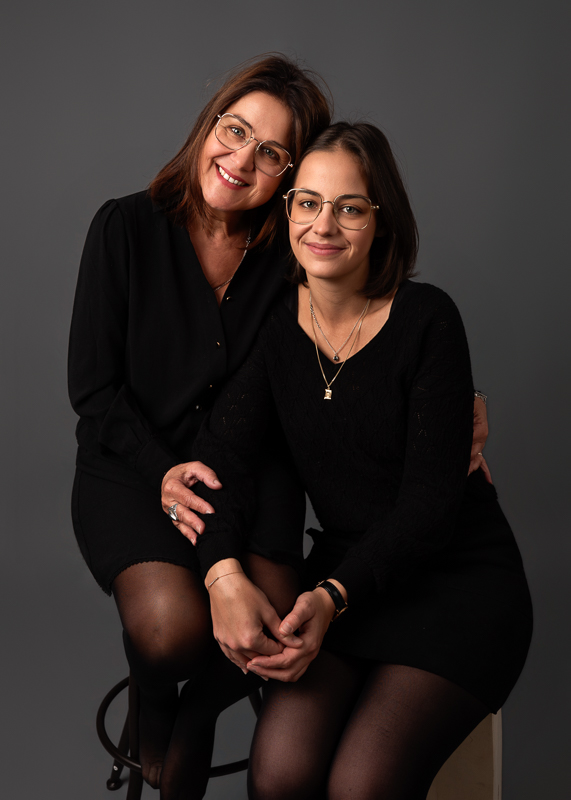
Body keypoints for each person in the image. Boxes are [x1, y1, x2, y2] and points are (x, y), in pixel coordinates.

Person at [170, 122, 532, 800]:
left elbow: (429, 506)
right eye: (306, 202)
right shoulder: (276, 329)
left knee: (360, 787)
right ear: (287, 212)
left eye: (348, 207)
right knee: (279, 776)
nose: (322, 225)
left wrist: (331, 597)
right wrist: (221, 573)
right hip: (344, 590)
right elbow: (220, 460)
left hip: (456, 586)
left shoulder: (427, 318)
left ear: (380, 219)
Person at [68, 54, 334, 797]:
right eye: (235, 129)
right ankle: (155, 700)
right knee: (171, 634)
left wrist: (464, 393)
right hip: (131, 468)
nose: (241, 159)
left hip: (252, 477)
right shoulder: (124, 226)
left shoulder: (294, 256)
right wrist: (161, 471)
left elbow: (378, 304)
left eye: (271, 151)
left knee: (274, 630)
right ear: (208, 125)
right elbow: (92, 388)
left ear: (289, 174)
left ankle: (197, 717)